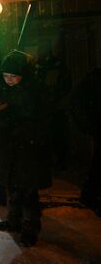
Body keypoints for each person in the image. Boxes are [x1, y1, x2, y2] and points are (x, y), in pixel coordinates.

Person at [0, 50, 51, 247]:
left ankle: (31, 228)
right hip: (10, 148)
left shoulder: (36, 90)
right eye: (6, 76)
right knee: (13, 187)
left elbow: (41, 119)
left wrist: (12, 117)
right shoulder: (4, 89)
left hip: (29, 149)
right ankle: (14, 221)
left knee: (29, 192)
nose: (9, 80)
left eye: (13, 76)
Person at [34, 42, 72, 170]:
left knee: (56, 137)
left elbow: (64, 87)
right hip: (48, 108)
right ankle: (56, 163)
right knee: (53, 137)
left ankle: (58, 163)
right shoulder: (45, 66)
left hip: (52, 108)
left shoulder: (45, 66)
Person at [69, 67, 101, 216]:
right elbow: (77, 101)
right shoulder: (95, 78)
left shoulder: (94, 77)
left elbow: (76, 100)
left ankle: (93, 197)